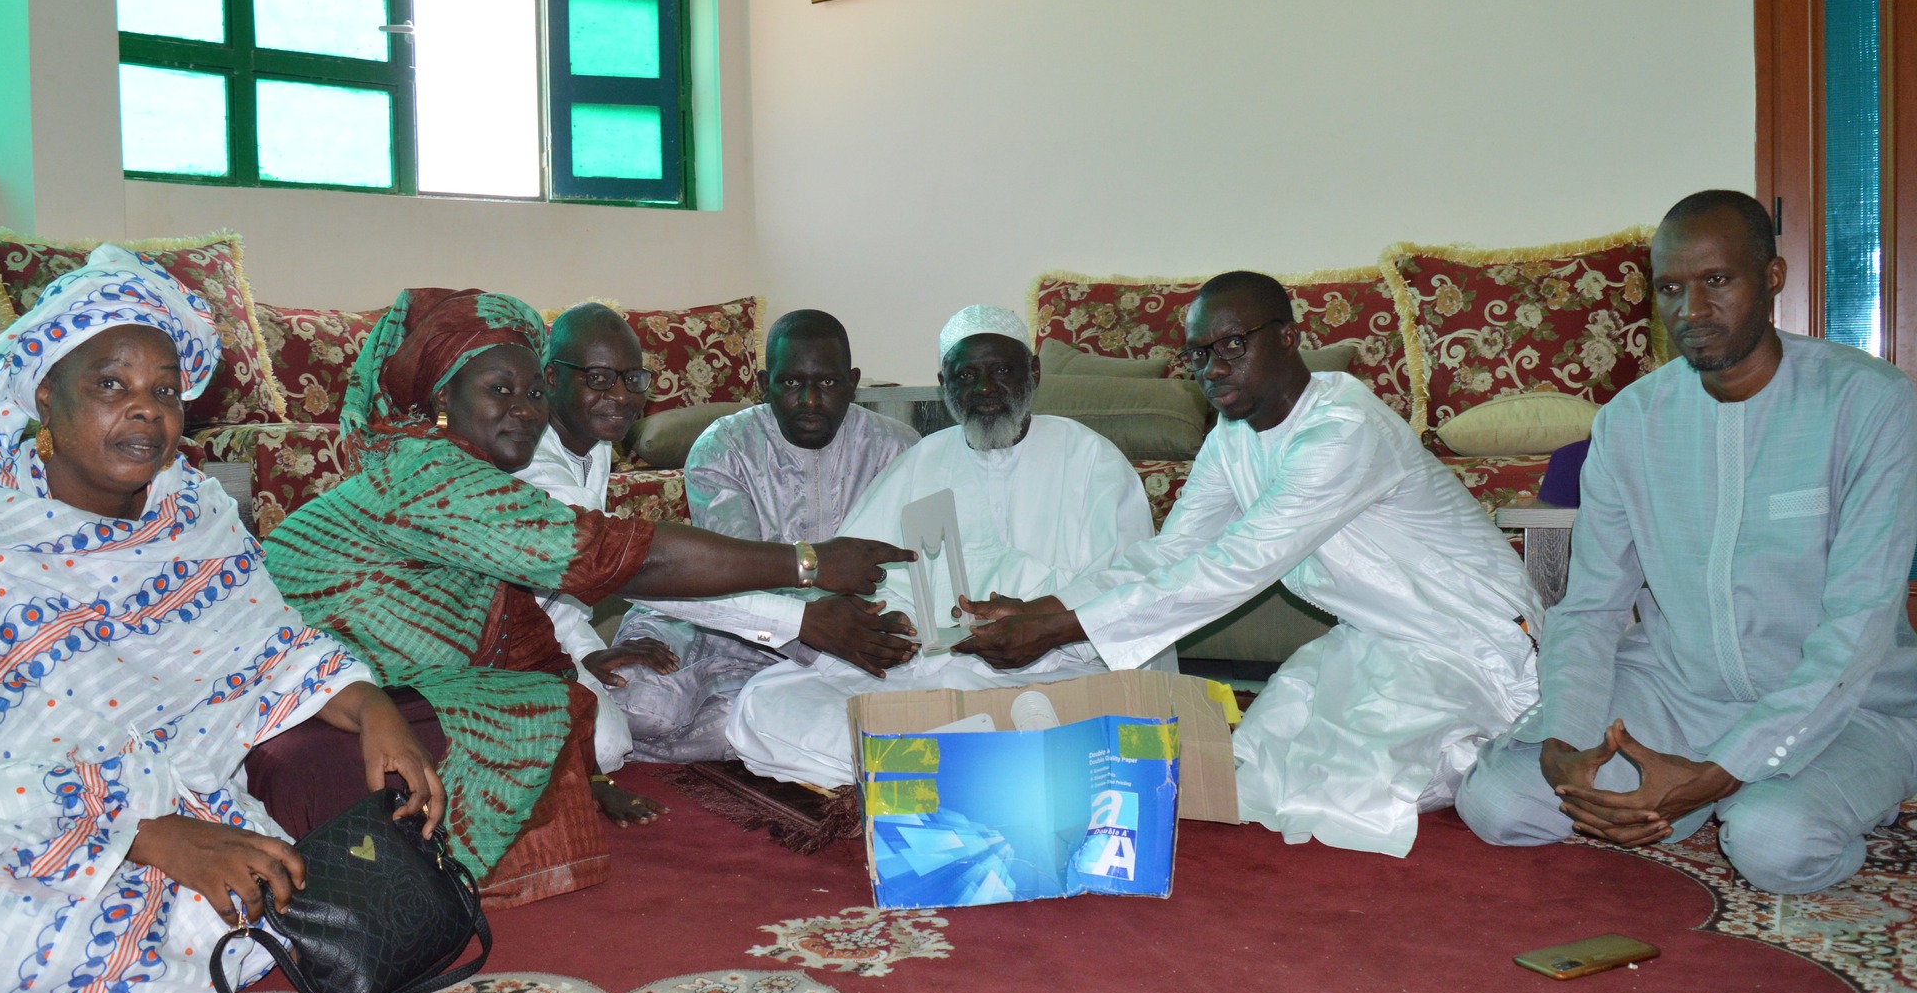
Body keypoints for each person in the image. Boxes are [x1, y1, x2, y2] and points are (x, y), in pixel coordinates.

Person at [0, 246, 445, 993]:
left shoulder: (195, 517)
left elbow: (271, 645)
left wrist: (374, 715)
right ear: (45, 405)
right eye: (109, 386)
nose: (144, 410)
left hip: (179, 811)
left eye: (165, 391)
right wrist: (140, 835)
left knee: (233, 908)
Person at [261, 287, 909, 901]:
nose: (524, 408)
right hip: (300, 688)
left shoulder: (556, 450)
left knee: (554, 722)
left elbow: (537, 587)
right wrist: (807, 577)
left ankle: (416, 828)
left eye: (532, 391)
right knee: (570, 739)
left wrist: (579, 654)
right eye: (499, 391)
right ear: (442, 397)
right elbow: (620, 561)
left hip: (403, 668)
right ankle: (348, 828)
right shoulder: (435, 476)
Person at [957, 271, 1542, 858]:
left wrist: (1062, 630)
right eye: (1198, 354)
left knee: (1358, 791)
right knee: (1261, 762)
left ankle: (1521, 739)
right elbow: (1175, 550)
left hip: (1474, 642)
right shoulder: (1231, 436)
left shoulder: (1342, 429)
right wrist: (1047, 608)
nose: (1213, 368)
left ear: (1288, 338)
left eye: (1233, 345)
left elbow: (1238, 564)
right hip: (1381, 642)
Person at [1457, 191, 1917, 892]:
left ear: (1772, 278)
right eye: (1670, 288)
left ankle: (1757, 794)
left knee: (1772, 841)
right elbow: (1593, 608)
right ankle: (1694, 795)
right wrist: (1568, 743)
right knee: (1498, 801)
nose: (1692, 312)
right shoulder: (1632, 422)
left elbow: (1857, 629)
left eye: (1718, 281)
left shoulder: (1871, 404)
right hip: (1680, 693)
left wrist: (1725, 769)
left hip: (1850, 707)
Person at [724, 304, 1154, 790]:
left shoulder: (1090, 458)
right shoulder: (922, 461)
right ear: (943, 384)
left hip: (1047, 670)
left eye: (1002, 371)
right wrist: (887, 627)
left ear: (1033, 373)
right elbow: (871, 574)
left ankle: (924, 768)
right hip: (926, 672)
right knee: (764, 701)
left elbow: (1130, 582)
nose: (985, 389)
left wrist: (1043, 621)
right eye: (966, 374)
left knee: (1076, 713)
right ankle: (980, 768)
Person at [609, 309, 920, 762]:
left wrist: (881, 628)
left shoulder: (900, 449)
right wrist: (818, 622)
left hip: (851, 634)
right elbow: (733, 578)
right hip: (717, 618)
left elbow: (913, 566)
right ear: (764, 383)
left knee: (756, 722)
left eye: (829, 384)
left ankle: (739, 732)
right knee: (642, 707)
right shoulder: (725, 447)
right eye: (791, 384)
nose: (811, 400)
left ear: (852, 383)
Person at [513, 302, 673, 819]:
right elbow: (613, 560)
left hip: (551, 627)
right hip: (491, 642)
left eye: (632, 378)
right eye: (601, 378)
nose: (622, 397)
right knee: (605, 746)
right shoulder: (527, 457)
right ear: (552, 377)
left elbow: (565, 586)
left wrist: (583, 654)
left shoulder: (595, 438)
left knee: (621, 730)